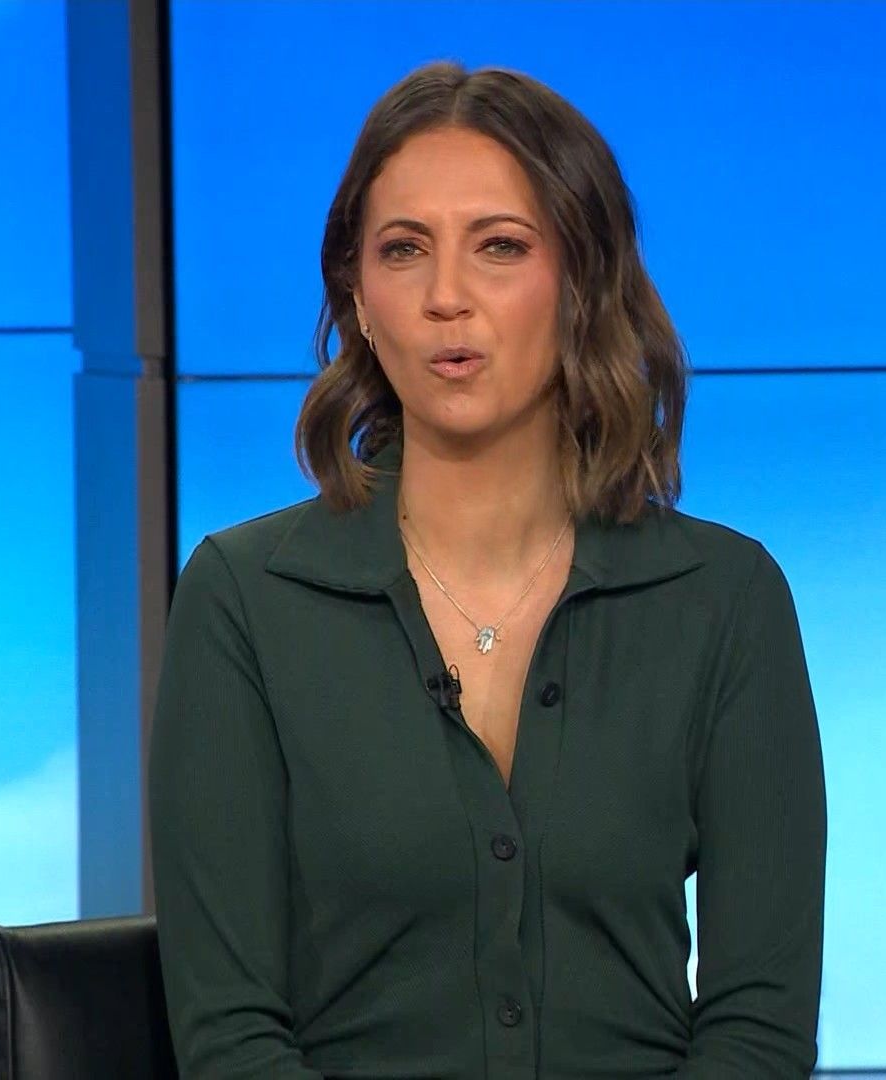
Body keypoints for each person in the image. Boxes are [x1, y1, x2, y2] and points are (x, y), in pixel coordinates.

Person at [149, 60, 825, 1079]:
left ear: (581, 283)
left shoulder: (725, 601)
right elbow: (230, 1038)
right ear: (359, 299)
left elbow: (760, 1029)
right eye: (404, 250)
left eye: (499, 247)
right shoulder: (245, 599)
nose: (446, 298)